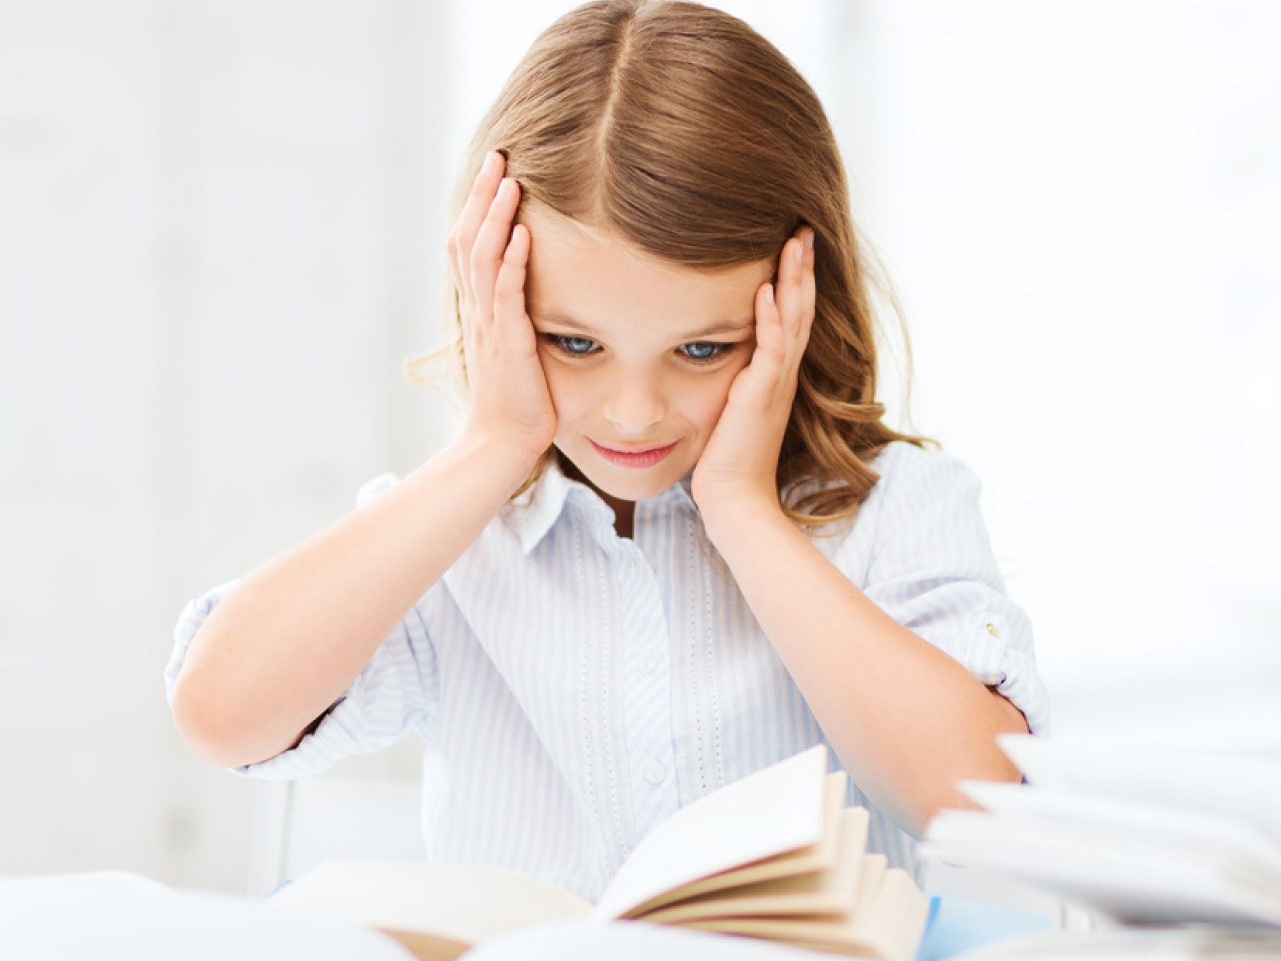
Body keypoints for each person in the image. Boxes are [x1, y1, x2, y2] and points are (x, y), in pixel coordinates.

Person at [165, 0, 1046, 900]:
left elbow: (975, 804)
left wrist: (742, 510)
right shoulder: (462, 539)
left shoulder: (897, 508)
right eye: (574, 344)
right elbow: (222, 714)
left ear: (798, 304)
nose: (632, 415)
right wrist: (497, 444)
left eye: (702, 350)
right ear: (495, 304)